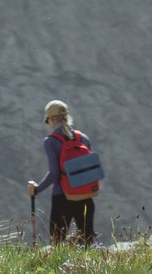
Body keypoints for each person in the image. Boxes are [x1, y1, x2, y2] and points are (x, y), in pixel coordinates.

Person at [27, 100, 100, 245]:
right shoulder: (83, 138)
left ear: (52, 119)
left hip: (62, 198)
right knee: (87, 243)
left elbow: (54, 173)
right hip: (85, 196)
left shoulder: (51, 141)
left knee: (57, 242)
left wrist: (37, 189)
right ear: (66, 117)